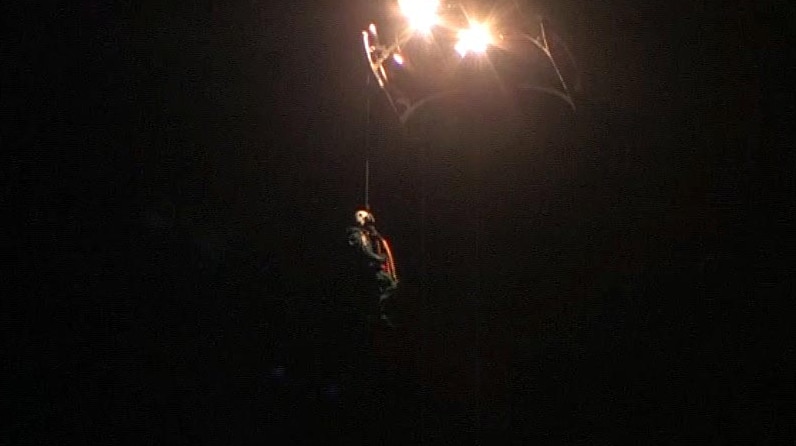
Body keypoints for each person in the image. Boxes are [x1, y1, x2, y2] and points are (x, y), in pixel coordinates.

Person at [347, 208, 398, 327]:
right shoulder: (355, 235)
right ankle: (378, 312)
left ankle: (378, 311)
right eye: (365, 220)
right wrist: (380, 258)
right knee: (391, 284)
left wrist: (372, 229)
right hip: (366, 270)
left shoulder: (364, 233)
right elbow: (364, 252)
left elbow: (375, 240)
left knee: (388, 285)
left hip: (371, 268)